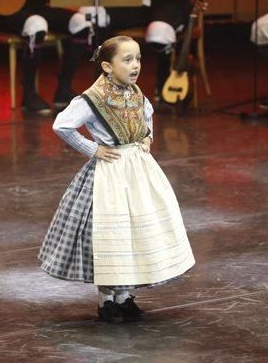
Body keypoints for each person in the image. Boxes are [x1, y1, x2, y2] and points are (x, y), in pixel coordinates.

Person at [39, 36, 194, 323]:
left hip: (138, 172)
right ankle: (106, 300)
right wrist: (93, 149)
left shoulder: (135, 92)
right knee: (112, 235)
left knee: (133, 234)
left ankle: (124, 298)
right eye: (127, 60)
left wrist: (148, 138)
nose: (135, 65)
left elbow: (147, 115)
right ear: (107, 66)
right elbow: (62, 124)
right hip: (110, 174)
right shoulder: (93, 97)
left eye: (137, 59)